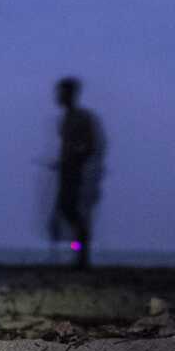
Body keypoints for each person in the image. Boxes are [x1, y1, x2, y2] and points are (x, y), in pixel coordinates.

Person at [48, 77, 106, 269]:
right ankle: (80, 256)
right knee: (67, 210)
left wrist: (75, 160)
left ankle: (83, 257)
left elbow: (90, 145)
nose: (58, 96)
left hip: (78, 173)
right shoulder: (65, 119)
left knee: (74, 211)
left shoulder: (82, 118)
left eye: (62, 92)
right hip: (67, 172)